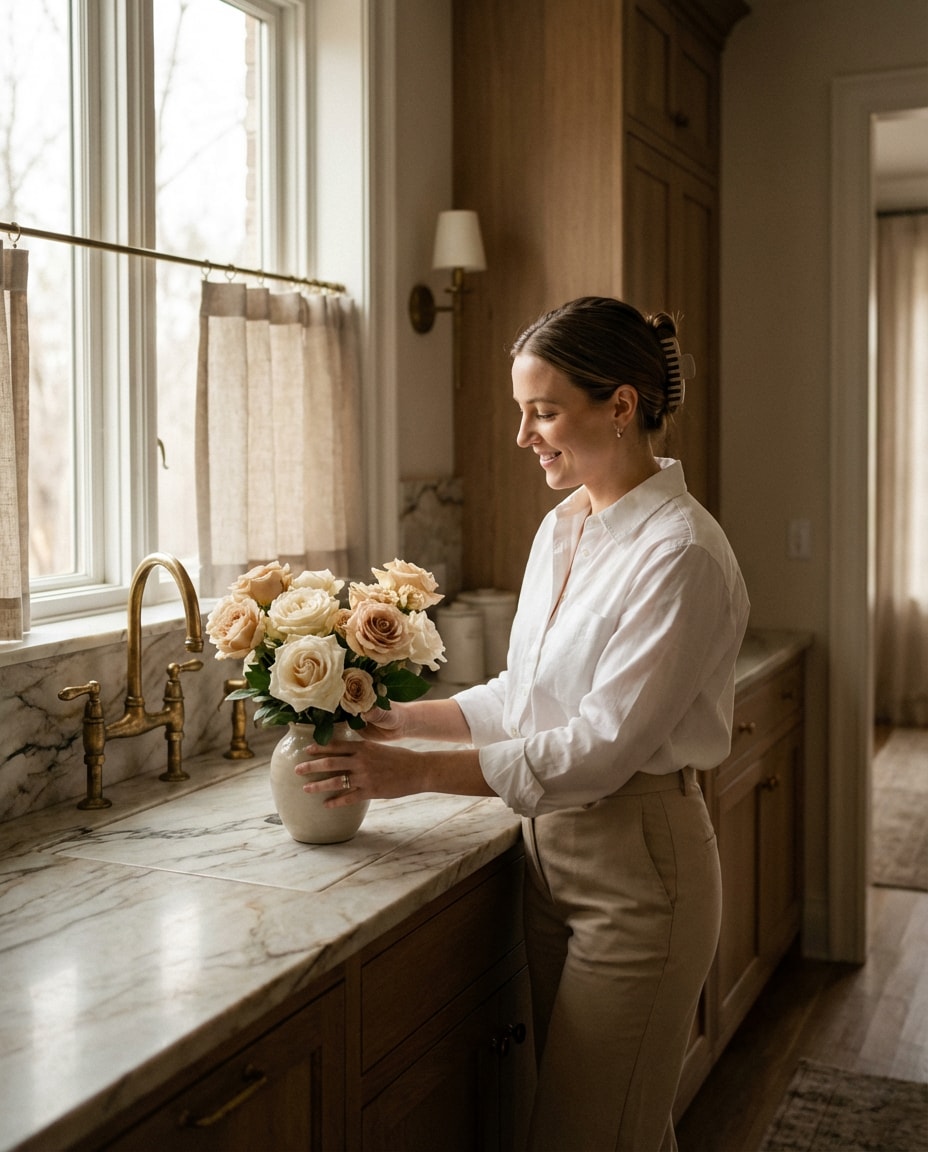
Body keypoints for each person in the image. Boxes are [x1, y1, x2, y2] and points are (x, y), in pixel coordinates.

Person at [299, 296, 750, 1152]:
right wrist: (396, 722)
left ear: (620, 406)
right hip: (552, 858)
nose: (523, 436)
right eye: (521, 412)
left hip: (640, 869)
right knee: (619, 1131)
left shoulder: (680, 552)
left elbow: (602, 747)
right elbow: (526, 694)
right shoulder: (564, 526)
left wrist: (416, 776)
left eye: (543, 412)